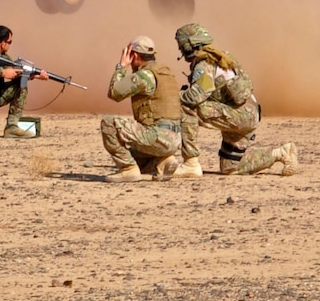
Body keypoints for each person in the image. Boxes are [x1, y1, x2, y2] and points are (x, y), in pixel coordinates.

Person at [175, 23, 298, 177]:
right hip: (248, 114)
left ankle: (190, 164)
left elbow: (197, 96)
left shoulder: (205, 63)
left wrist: (174, 97)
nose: (180, 50)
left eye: (181, 45)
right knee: (230, 167)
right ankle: (281, 153)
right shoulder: (220, 57)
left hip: (239, 115)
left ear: (189, 44)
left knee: (186, 106)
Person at [99, 35, 185, 183]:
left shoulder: (144, 75)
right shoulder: (165, 73)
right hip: (175, 140)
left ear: (135, 55)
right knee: (135, 156)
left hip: (157, 136)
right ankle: (163, 161)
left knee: (108, 122)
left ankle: (128, 170)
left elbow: (114, 93)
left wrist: (121, 67)